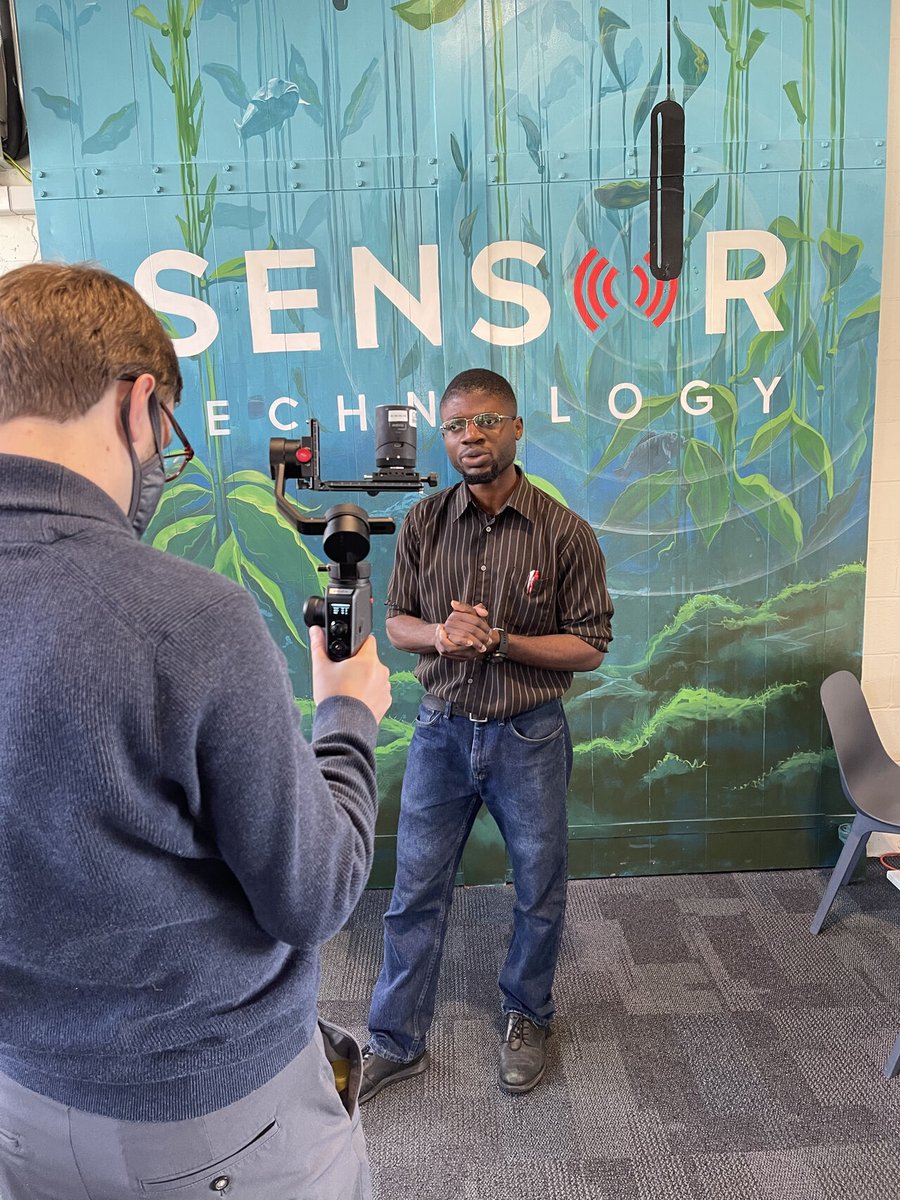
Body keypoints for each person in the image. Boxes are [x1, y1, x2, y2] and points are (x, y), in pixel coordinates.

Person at [0, 262, 391, 1200]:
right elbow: (314, 893)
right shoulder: (186, 619)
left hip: (17, 1103)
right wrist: (346, 712)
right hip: (214, 1123)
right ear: (140, 405)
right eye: (164, 431)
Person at [360, 368, 613, 1102]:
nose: (471, 437)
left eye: (486, 422)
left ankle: (527, 1015)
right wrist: (441, 634)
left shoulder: (564, 532)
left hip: (528, 736)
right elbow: (397, 623)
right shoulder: (424, 522)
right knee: (414, 891)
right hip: (441, 733)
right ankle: (395, 1038)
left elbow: (591, 644)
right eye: (457, 426)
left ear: (516, 428)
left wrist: (501, 641)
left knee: (537, 890)